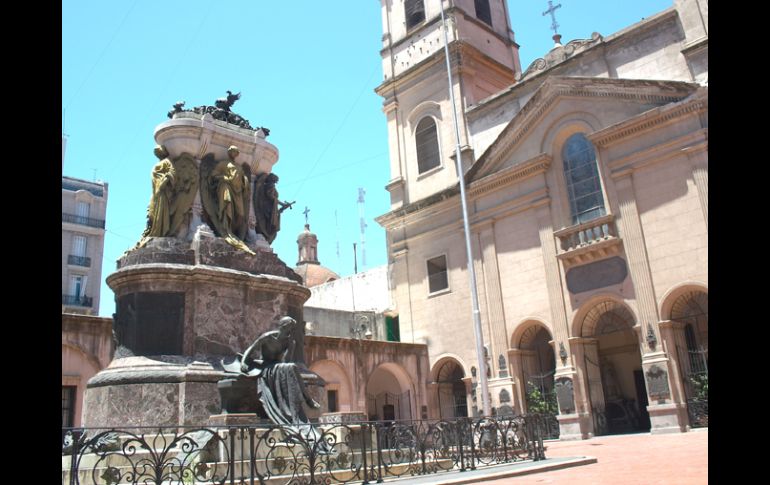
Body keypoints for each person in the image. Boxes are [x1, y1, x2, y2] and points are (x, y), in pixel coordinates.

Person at [239, 317, 320, 426]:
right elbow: (251, 348)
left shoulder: (289, 341)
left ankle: (308, 399)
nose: (292, 331)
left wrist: (291, 346)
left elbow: (287, 361)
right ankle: (308, 399)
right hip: (265, 367)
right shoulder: (268, 337)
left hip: (277, 366)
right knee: (292, 367)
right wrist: (243, 362)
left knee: (292, 366)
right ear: (284, 327)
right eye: (290, 328)